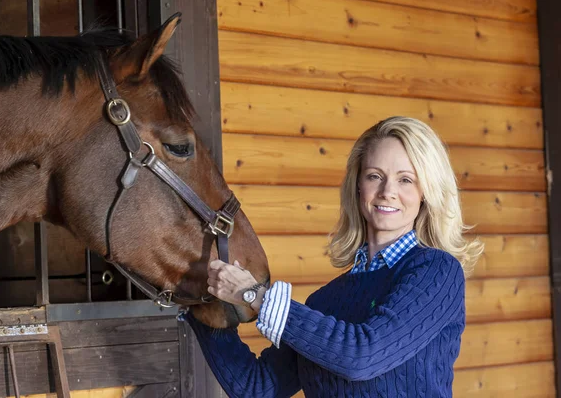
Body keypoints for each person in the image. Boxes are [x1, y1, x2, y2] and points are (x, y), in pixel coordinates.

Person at [183, 116, 484, 397]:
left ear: (427, 192)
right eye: (375, 176)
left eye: (406, 179)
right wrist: (197, 300)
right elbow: (257, 386)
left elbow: (363, 356)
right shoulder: (326, 301)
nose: (387, 191)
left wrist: (255, 296)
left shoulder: (437, 272)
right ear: (358, 186)